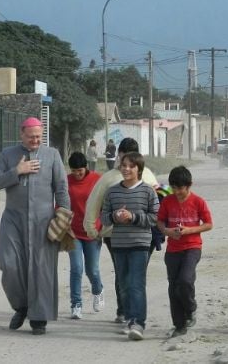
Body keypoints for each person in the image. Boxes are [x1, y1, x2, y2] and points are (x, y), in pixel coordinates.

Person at [0, 117, 70, 335]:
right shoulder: (8, 155)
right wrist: (17, 171)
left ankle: (39, 318)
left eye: (38, 136)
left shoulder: (52, 155)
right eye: (31, 136)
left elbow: (61, 188)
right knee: (9, 264)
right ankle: (21, 306)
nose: (35, 140)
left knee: (41, 269)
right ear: (21, 135)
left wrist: (62, 216)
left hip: (43, 221)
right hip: (13, 220)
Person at [83, 138, 158, 325]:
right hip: (113, 234)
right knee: (122, 275)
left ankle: (135, 317)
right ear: (119, 155)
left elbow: (158, 205)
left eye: (131, 162)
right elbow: (94, 203)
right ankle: (123, 310)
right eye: (124, 159)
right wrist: (92, 229)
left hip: (142, 234)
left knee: (137, 276)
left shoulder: (148, 176)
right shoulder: (108, 179)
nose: (126, 166)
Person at [101, 152, 159, 341]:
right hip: (119, 244)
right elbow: (103, 217)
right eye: (123, 165)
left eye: (131, 166)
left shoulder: (148, 192)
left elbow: (155, 218)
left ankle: (138, 323)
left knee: (136, 284)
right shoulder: (112, 191)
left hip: (140, 244)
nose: (126, 169)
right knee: (124, 285)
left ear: (139, 170)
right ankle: (128, 317)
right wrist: (115, 217)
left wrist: (132, 217)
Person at [157, 166, 213, 338]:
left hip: (192, 247)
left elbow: (209, 224)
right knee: (173, 287)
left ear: (189, 186)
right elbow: (159, 222)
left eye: (180, 188)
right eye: (173, 188)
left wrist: (189, 230)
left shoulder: (198, 201)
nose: (177, 191)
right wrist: (167, 232)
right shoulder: (167, 201)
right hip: (172, 250)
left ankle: (191, 308)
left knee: (185, 280)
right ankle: (179, 325)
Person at [65, 151, 104, 320]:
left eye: (80, 171)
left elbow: (105, 203)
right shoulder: (66, 181)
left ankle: (98, 290)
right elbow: (60, 202)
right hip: (72, 231)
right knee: (76, 268)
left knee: (92, 270)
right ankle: (76, 305)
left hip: (92, 231)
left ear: (86, 167)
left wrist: (101, 226)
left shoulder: (98, 180)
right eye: (74, 171)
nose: (77, 174)